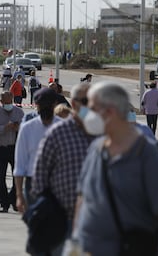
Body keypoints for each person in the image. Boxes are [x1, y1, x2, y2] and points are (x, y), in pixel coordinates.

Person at [71, 82, 158, 256]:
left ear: (110, 112)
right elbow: (83, 199)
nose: (87, 114)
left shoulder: (147, 155)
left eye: (92, 108)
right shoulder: (96, 150)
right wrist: (75, 245)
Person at [31, 83, 93, 254]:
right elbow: (39, 179)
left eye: (95, 101)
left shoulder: (104, 134)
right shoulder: (57, 133)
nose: (92, 106)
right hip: (61, 218)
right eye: (86, 101)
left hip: (93, 220)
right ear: (74, 103)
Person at [14, 88, 62, 213]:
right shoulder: (27, 129)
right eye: (42, 105)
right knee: (37, 225)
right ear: (37, 106)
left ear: (54, 105)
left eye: (48, 104)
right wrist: (19, 195)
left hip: (58, 184)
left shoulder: (64, 127)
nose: (45, 108)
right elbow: (20, 164)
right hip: (33, 185)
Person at [0, 91, 24, 213]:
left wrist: (18, 128)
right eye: (5, 102)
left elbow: (26, 128)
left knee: (17, 176)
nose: (8, 104)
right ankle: (4, 204)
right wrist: (3, 128)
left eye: (10, 102)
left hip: (14, 147)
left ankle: (12, 199)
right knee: (0, 176)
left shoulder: (19, 112)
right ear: (1, 102)